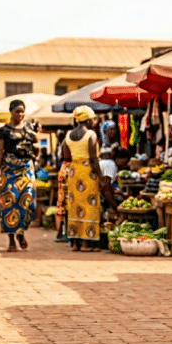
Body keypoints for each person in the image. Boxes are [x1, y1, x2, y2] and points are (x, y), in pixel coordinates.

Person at [0, 99, 38, 252]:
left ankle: (21, 232)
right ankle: (12, 239)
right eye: (17, 111)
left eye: (22, 111)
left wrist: (34, 141)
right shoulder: (3, 131)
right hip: (9, 172)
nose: (20, 114)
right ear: (11, 112)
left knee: (28, 203)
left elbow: (36, 149)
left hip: (25, 171)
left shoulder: (29, 129)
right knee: (9, 204)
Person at [61, 105, 106, 252]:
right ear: (87, 120)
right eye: (93, 118)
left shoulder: (68, 135)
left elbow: (65, 156)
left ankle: (75, 243)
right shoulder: (90, 135)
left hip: (74, 173)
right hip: (88, 173)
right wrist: (101, 177)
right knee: (90, 205)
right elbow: (94, 159)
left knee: (74, 206)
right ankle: (86, 244)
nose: (94, 121)